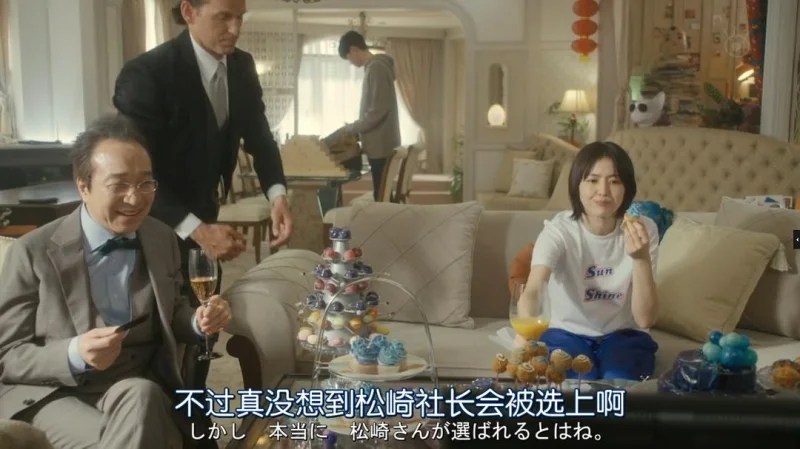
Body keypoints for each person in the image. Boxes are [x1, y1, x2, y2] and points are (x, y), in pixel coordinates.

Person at [0, 114, 233, 448]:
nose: (135, 199)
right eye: (119, 185)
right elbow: (7, 355)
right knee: (150, 428)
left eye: (145, 183)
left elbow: (173, 312)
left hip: (135, 388)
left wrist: (198, 322)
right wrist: (75, 353)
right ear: (83, 185)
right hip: (56, 394)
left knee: (142, 395)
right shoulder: (32, 252)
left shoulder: (161, 238)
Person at [112, 0, 292, 395]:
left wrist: (277, 194)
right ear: (189, 12)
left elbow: (261, 138)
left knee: (204, 331)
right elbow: (137, 176)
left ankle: (195, 416)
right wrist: (197, 230)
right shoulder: (146, 75)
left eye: (240, 17)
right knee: (156, 340)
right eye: (223, 17)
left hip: (206, 218)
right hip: (151, 228)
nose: (235, 29)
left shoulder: (242, 66)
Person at [517, 141, 660, 381]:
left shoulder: (643, 230)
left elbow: (646, 318)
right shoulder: (559, 231)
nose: (603, 191)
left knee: (618, 380)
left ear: (627, 188)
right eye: (592, 180)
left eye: (614, 181)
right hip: (565, 333)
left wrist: (641, 258)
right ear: (577, 186)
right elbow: (534, 288)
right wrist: (525, 332)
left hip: (624, 335)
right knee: (580, 381)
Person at [323, 30, 401, 201]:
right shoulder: (375, 67)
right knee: (383, 195)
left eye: (348, 58)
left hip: (380, 146)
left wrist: (352, 128)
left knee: (381, 197)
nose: (350, 62)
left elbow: (378, 111)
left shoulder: (376, 68)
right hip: (381, 143)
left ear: (354, 50)